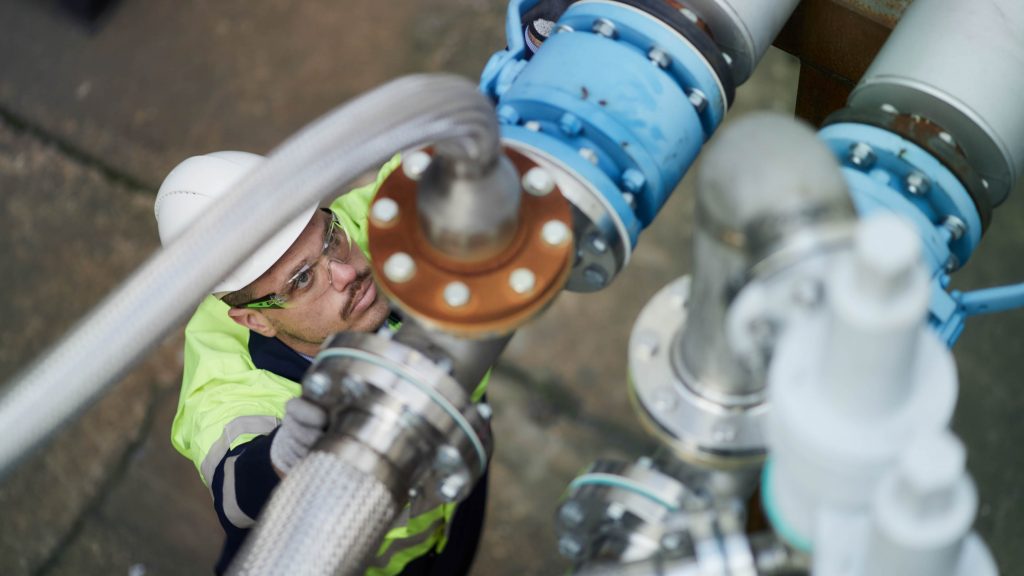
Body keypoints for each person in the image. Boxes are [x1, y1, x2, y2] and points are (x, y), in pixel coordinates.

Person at [154, 151, 488, 576]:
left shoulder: (364, 227)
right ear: (255, 318)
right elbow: (238, 495)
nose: (345, 273)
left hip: (456, 500)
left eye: (330, 238)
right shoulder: (228, 379)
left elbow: (434, 163)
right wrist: (284, 454)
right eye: (303, 279)